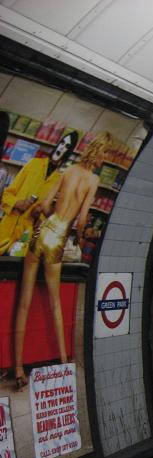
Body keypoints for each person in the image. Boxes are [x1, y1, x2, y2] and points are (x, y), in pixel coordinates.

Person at [13, 132, 109, 388]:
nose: (104, 160)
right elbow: (81, 220)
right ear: (98, 153)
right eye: (104, 155)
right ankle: (64, 362)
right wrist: (81, 236)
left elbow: (44, 204)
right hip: (58, 237)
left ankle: (19, 368)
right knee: (55, 303)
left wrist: (47, 215)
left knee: (24, 301)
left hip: (41, 231)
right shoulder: (92, 179)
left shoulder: (67, 171)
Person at [0, 130, 79, 254]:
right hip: (5, 227)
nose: (62, 147)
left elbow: (49, 216)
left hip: (24, 236)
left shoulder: (59, 180)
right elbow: (6, 194)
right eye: (62, 143)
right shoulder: (33, 164)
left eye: (67, 147)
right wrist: (17, 203)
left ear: (69, 152)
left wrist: (38, 216)